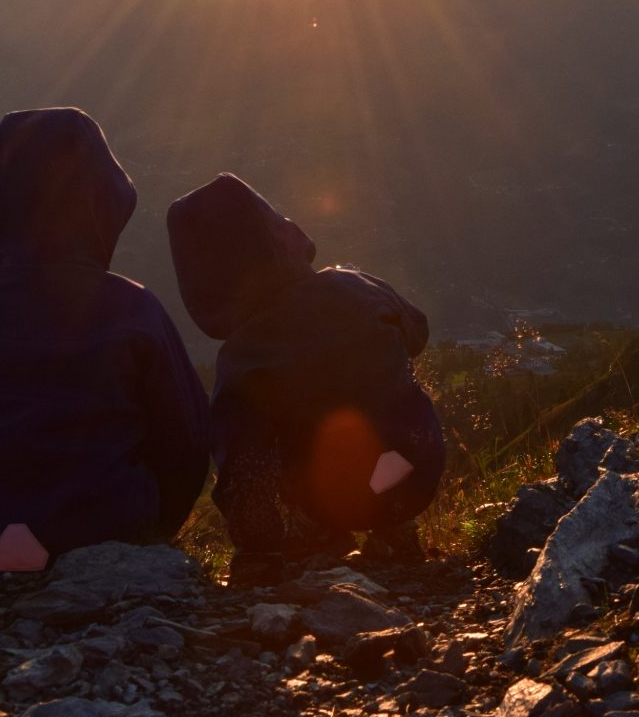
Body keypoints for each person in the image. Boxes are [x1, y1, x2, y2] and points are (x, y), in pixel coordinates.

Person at [0, 108, 209, 583]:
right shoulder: (134, 310)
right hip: (111, 541)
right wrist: (152, 528)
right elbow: (187, 442)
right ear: (104, 203)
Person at [165, 173, 443, 582]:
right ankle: (395, 529)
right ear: (280, 230)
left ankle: (318, 528)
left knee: (296, 447)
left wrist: (257, 546)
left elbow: (245, 463)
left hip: (336, 497)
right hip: (417, 466)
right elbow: (417, 332)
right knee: (398, 406)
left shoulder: (244, 358)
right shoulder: (359, 286)